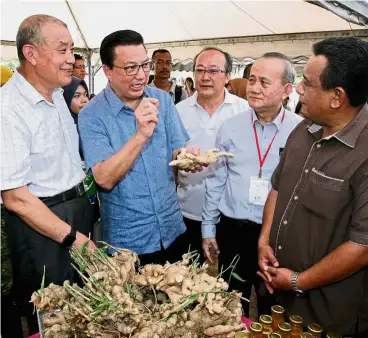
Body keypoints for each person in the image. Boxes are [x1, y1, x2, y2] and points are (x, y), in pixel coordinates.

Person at [257, 37, 368, 336]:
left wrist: (297, 281)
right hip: (278, 292)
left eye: (307, 82)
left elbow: (362, 247)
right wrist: (264, 240)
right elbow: (278, 188)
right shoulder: (304, 128)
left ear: (337, 97)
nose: (299, 89)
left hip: (326, 313)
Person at [0, 15, 95, 334]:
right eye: (62, 49)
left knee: (83, 307)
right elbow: (15, 197)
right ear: (31, 54)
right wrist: (71, 237)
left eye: (72, 49)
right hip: (42, 223)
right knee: (55, 317)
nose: (71, 59)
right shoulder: (8, 108)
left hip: (74, 212)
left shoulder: (56, 95)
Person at [78, 30, 201, 266]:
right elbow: (104, 178)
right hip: (128, 241)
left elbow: (176, 150)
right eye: (130, 68)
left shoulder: (161, 100)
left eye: (145, 65)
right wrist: (140, 135)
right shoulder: (92, 116)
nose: (142, 75)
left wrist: (188, 158)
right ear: (108, 71)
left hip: (171, 227)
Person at [202, 52, 303, 316]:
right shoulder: (230, 127)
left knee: (274, 305)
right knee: (232, 303)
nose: (254, 88)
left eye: (264, 82)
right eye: (252, 79)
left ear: (287, 90)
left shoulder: (301, 132)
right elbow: (216, 180)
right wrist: (208, 228)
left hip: (277, 236)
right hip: (233, 231)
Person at [176, 47, 250, 259]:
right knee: (186, 281)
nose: (205, 77)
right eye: (200, 70)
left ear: (227, 76)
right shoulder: (178, 111)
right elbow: (169, 162)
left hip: (231, 216)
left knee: (229, 281)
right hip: (187, 212)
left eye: (213, 71)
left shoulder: (244, 111)